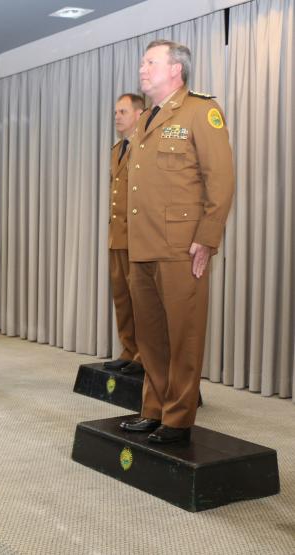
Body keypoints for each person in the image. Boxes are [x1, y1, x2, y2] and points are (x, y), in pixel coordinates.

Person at [119, 40, 235, 444]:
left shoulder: (202, 112)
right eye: (142, 62)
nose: (142, 69)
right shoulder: (145, 119)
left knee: (183, 335)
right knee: (151, 337)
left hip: (181, 246)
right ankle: (154, 409)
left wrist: (207, 239)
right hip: (143, 245)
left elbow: (220, 181)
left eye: (150, 62)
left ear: (176, 69)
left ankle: (179, 418)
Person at [103, 94, 145, 373]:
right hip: (117, 236)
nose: (117, 116)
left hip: (139, 238)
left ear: (139, 114)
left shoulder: (146, 147)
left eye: (123, 111)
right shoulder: (117, 149)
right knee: (122, 297)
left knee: (142, 299)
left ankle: (145, 355)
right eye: (116, 111)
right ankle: (129, 349)